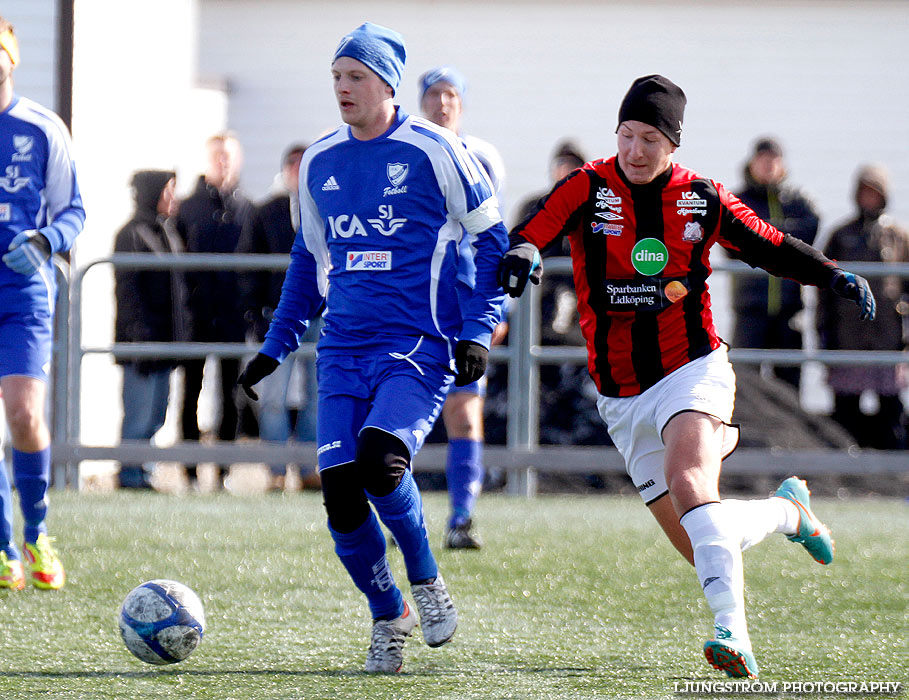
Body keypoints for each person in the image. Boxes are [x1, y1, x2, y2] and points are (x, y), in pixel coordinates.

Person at [498, 74, 876, 679]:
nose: (635, 150)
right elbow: (535, 227)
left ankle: (735, 637)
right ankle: (788, 515)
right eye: (626, 135)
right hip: (620, 394)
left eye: (650, 137)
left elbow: (770, 245)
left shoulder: (700, 197)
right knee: (700, 538)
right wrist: (523, 252)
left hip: (691, 368)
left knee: (689, 479)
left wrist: (832, 274)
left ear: (673, 144)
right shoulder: (587, 187)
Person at [238, 22, 508, 672]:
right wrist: (276, 346)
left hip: (418, 343)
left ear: (387, 83)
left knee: (381, 461)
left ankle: (425, 577)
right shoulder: (322, 161)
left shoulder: (435, 150)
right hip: (342, 350)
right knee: (337, 493)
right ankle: (389, 615)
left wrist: (476, 329)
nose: (342, 88)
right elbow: (307, 262)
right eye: (335, 77)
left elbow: (492, 241)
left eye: (355, 76)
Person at [0, 16, 85, 590]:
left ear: (10, 59)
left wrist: (44, 242)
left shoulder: (40, 127)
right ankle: (3, 549)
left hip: (23, 289)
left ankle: (37, 532)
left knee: (25, 415)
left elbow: (74, 211)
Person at [418, 65, 507, 548]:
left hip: (463, 306)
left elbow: (495, 238)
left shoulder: (483, 157)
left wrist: (496, 313)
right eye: (433, 94)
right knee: (397, 415)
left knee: (464, 414)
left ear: (461, 103)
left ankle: (460, 519)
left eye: (450, 94)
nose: (442, 103)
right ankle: (399, 518)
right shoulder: (404, 152)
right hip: (411, 306)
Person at [236, 143, 321, 490]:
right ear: (285, 169)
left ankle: (307, 469)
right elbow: (248, 264)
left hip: (320, 315)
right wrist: (254, 314)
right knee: (273, 396)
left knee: (320, 396)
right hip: (278, 316)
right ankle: (274, 470)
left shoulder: (326, 210)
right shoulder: (265, 211)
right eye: (295, 166)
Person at [176, 131, 253, 490]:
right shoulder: (187, 207)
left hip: (233, 316)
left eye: (229, 155)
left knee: (232, 392)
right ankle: (189, 472)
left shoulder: (247, 208)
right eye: (217, 155)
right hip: (197, 315)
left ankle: (222, 472)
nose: (223, 161)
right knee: (191, 390)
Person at [819, 165, 909, 449]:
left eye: (875, 192)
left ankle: (892, 474)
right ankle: (845, 471)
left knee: (890, 409)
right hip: (848, 336)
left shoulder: (899, 236)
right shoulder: (839, 236)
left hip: (887, 338)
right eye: (864, 192)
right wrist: (824, 337)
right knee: (845, 410)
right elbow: (824, 291)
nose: (869, 198)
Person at [114, 170, 188, 489]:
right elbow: (127, 292)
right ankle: (131, 475)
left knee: (157, 413)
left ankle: (145, 471)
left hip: (165, 344)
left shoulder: (166, 232)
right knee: (140, 414)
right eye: (168, 190)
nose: (173, 198)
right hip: (142, 345)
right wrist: (139, 336)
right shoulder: (131, 234)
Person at [730, 137, 820, 387]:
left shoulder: (800, 202)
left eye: (774, 159)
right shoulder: (737, 201)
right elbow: (733, 245)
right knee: (744, 385)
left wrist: (761, 236)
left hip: (788, 310)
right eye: (763, 159)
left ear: (782, 164)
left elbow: (806, 240)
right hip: (750, 310)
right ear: (752, 163)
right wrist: (781, 241)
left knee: (789, 386)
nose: (768, 165)